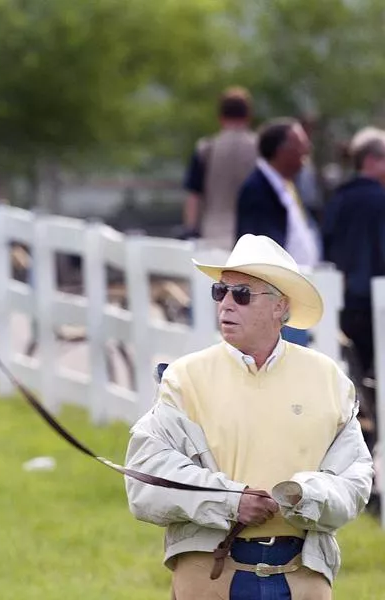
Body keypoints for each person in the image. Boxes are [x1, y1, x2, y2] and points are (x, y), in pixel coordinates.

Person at [124, 234, 373, 600]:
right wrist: (231, 500)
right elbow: (145, 481)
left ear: (280, 307)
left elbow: (355, 481)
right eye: (219, 292)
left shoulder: (328, 379)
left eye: (241, 294)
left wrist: (303, 496)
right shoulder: (184, 378)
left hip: (302, 576)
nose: (225, 304)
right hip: (208, 575)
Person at [236, 118, 321, 346]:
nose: (307, 150)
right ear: (282, 151)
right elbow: (263, 248)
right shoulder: (257, 189)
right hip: (278, 297)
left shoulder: (283, 184)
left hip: (294, 292)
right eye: (300, 145)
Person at [323, 126, 385, 377]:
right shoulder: (380, 199)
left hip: (341, 297)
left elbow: (326, 244)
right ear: (371, 160)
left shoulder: (338, 198)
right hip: (374, 299)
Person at [181, 87, 258, 249]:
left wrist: (190, 228)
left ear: (220, 117)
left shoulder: (206, 148)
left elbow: (194, 195)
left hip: (213, 233)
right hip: (253, 236)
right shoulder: (261, 148)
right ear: (249, 116)